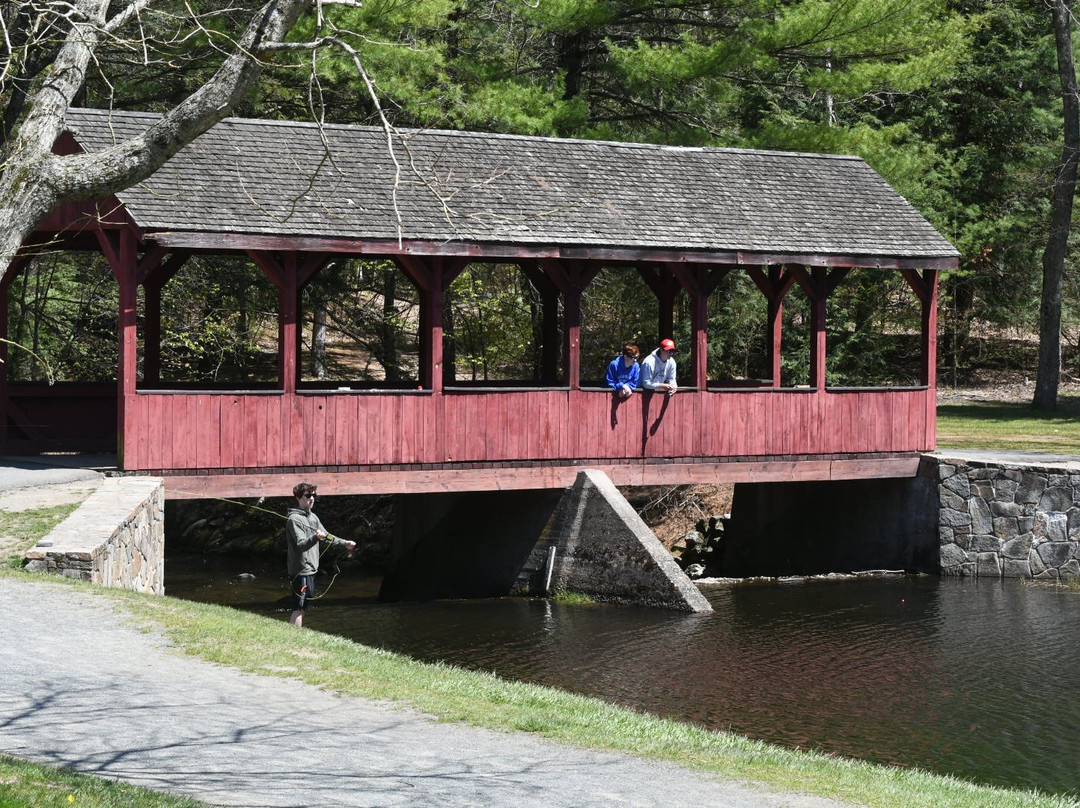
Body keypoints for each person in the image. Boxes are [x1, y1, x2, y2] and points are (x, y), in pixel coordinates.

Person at [286, 482, 355, 627]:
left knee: (304, 606)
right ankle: (292, 637)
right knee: (299, 606)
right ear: (298, 497)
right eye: (308, 495)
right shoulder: (294, 519)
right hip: (300, 570)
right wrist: (315, 538)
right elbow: (301, 545)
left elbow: (326, 535)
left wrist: (344, 543)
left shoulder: (313, 517)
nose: (312, 498)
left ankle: (294, 635)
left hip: (311, 569)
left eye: (314, 495)